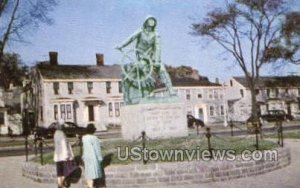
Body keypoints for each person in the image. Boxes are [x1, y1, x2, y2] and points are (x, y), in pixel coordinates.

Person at [116, 16, 175, 97]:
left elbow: (158, 48)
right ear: (146, 22)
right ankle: (150, 91)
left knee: (162, 70)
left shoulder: (156, 34)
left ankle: (170, 90)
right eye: (150, 20)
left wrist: (157, 61)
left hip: (152, 56)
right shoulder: (140, 31)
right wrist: (121, 45)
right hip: (142, 56)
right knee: (145, 71)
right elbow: (131, 38)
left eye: (153, 20)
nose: (152, 22)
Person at [53, 119, 74, 188]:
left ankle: (60, 184)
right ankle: (61, 184)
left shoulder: (56, 133)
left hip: (58, 155)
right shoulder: (62, 134)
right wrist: (67, 155)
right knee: (66, 170)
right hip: (63, 156)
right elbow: (64, 145)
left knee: (59, 171)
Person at [82, 124, 103, 188]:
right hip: (93, 157)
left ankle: (90, 186)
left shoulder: (84, 137)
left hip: (86, 157)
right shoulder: (94, 138)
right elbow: (97, 149)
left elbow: (84, 148)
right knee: (93, 173)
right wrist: (100, 158)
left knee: (88, 174)